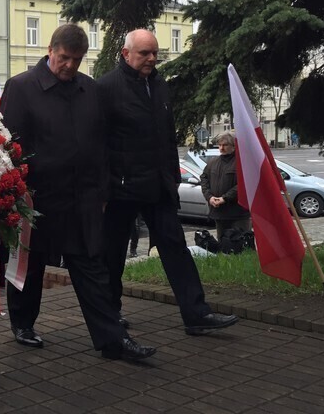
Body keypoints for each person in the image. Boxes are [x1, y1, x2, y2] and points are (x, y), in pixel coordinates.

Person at [0, 23, 156, 363]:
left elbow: (100, 143)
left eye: (77, 59)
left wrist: (101, 190)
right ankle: (22, 323)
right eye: (64, 57)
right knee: (32, 264)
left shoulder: (90, 89)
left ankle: (113, 340)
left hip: (83, 197)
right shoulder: (21, 87)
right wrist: (14, 194)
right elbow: (9, 146)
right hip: (36, 197)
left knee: (92, 268)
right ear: (50, 50)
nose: (69, 65)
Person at [97, 29, 238, 336]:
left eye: (154, 53)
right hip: (121, 189)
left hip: (158, 186)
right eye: (144, 53)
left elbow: (167, 136)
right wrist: (104, 188)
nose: (151, 59)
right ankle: (110, 316)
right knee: (112, 254)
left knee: (176, 249)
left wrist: (173, 176)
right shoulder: (107, 87)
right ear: (125, 54)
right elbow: (98, 143)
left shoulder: (159, 85)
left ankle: (197, 314)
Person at [200, 133, 251, 239]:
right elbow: (204, 179)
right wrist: (209, 197)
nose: (221, 148)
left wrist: (225, 198)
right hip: (219, 213)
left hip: (238, 214)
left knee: (241, 243)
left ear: (233, 146)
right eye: (220, 145)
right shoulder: (213, 163)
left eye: (225, 145)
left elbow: (244, 184)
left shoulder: (241, 163)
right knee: (223, 244)